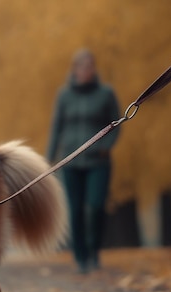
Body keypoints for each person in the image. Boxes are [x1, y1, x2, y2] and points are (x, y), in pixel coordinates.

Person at [47, 49, 120, 274]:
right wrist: (49, 159)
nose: (87, 70)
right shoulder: (64, 95)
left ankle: (94, 250)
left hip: (98, 161)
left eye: (91, 66)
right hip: (71, 161)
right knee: (75, 210)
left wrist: (105, 147)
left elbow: (117, 124)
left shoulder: (106, 93)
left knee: (96, 207)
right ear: (75, 69)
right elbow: (56, 127)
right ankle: (80, 257)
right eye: (83, 66)